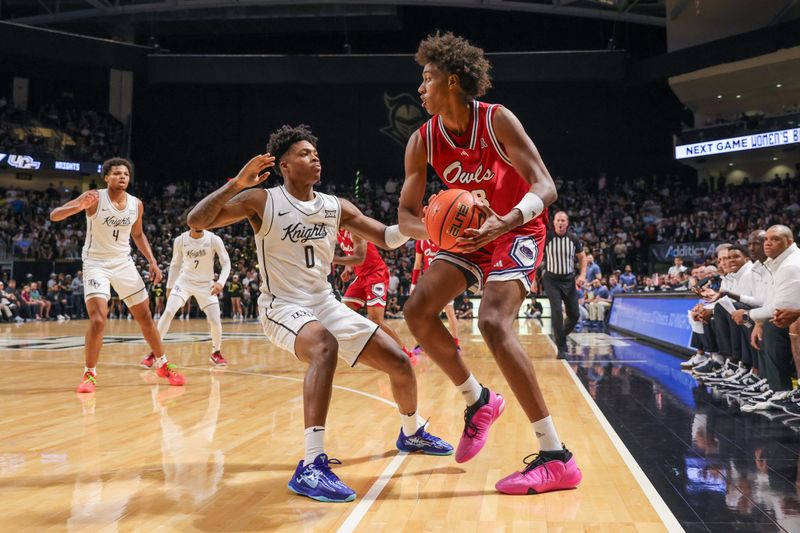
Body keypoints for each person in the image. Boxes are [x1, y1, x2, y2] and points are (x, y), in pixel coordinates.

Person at [187, 125, 452, 504]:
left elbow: (388, 237)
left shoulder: (336, 206)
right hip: (282, 306)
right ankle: (311, 464)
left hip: (325, 303)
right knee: (324, 347)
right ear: (284, 165)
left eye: (316, 153)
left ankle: (411, 432)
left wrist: (429, 223)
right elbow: (197, 221)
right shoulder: (261, 201)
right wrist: (236, 184)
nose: (315, 158)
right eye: (305, 153)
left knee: (400, 363)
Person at [399, 32, 581, 496]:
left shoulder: (497, 120)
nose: (420, 88)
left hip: (516, 227)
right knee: (417, 310)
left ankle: (556, 456)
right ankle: (477, 399)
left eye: (427, 78)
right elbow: (405, 215)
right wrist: (439, 231)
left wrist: (508, 220)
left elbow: (545, 185)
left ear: (452, 81)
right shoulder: (422, 141)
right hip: (469, 237)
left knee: (494, 323)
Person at [49, 157, 185, 393]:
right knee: (99, 319)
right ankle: (89, 373)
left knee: (145, 318)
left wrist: (152, 262)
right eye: (116, 173)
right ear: (106, 177)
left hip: (124, 263)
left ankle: (162, 364)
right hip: (96, 263)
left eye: (126, 174)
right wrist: (78, 206)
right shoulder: (93, 197)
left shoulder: (136, 204)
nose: (122, 177)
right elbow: (55, 215)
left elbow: (139, 235)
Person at [140, 223, 231, 368]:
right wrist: (169, 287)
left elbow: (226, 263)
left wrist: (220, 282)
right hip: (184, 282)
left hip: (206, 284)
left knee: (215, 319)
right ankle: (154, 353)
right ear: (190, 222)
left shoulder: (214, 239)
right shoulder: (180, 240)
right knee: (168, 311)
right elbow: (175, 265)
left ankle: (216, 352)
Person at [334, 229, 416, 363]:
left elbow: (358, 258)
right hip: (361, 276)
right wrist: (347, 267)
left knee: (376, 320)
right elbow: (351, 252)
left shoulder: (354, 230)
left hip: (375, 275)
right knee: (343, 312)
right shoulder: (337, 232)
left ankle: (405, 352)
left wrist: (334, 259)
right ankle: (362, 345)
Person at [541, 211, 586, 358]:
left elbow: (582, 257)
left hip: (569, 279)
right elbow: (537, 258)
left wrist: (583, 275)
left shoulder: (573, 239)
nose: (560, 223)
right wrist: (534, 280)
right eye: (558, 220)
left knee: (574, 314)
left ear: (567, 223)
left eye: (563, 221)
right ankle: (561, 347)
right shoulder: (547, 237)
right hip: (551, 279)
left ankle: (560, 335)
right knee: (557, 311)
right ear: (554, 222)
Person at [411, 238, 460, 355]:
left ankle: (456, 344)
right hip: (428, 281)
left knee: (449, 311)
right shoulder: (421, 242)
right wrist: (413, 284)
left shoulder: (442, 239)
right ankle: (422, 343)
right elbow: (417, 264)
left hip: (444, 280)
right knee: (422, 313)